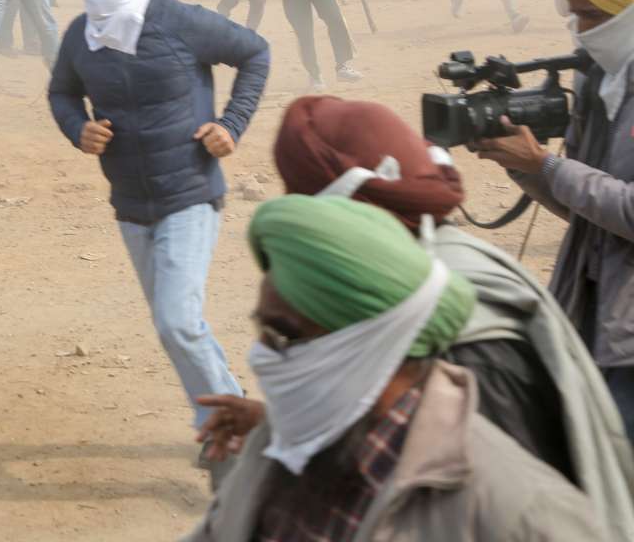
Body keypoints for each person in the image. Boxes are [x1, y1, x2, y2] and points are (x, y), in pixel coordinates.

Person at [219, 95, 634, 535]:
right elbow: (388, 432)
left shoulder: (466, 333)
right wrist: (276, 426)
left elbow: (460, 498)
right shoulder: (407, 277)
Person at [185, 195, 603, 541]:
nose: (260, 355)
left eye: (281, 334)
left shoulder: (524, 517)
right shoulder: (285, 442)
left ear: (369, 342)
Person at [48, 0, 269, 464]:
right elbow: (61, 90)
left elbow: (254, 52)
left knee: (176, 321)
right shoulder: (83, 34)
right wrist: (78, 126)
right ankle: (233, 413)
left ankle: (227, 436)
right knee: (179, 327)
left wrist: (231, 124)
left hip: (189, 191)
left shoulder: (177, 21)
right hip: (130, 200)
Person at [476, 0, 634, 444]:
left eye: (591, 16)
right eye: (574, 14)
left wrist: (548, 165)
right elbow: (586, 208)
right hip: (595, 307)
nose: (579, 29)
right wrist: (524, 169)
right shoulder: (601, 82)